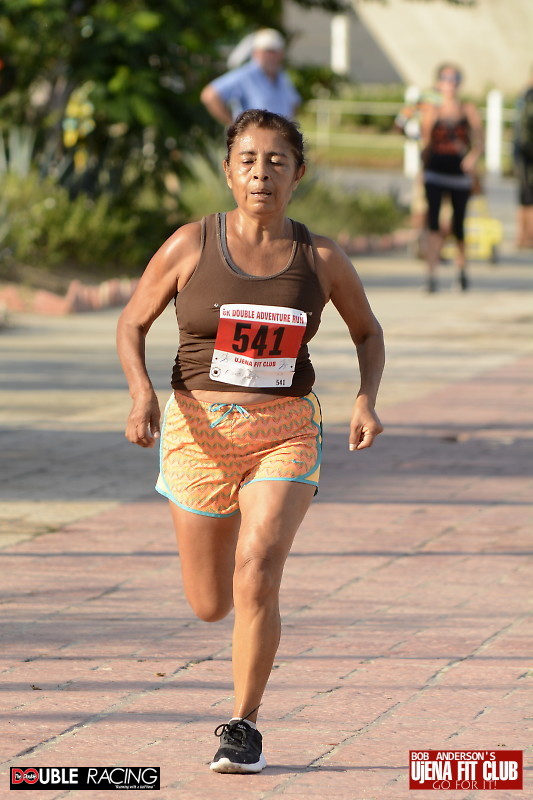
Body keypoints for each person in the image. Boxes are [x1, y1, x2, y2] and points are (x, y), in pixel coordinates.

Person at [116, 110, 384, 774]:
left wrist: (365, 399)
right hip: (198, 434)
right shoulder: (189, 245)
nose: (260, 173)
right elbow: (131, 322)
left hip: (284, 431)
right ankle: (235, 538)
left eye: (275, 161)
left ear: (298, 174)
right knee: (211, 604)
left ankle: (243, 725)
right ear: (228, 171)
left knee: (258, 569)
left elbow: (367, 332)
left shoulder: (321, 258)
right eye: (247, 160)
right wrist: (141, 393)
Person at [420, 63, 483, 292]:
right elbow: (426, 143)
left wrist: (472, 158)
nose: (450, 84)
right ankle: (431, 276)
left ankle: (462, 271)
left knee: (459, 225)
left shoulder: (468, 109)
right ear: (439, 83)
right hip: (435, 173)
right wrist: (421, 173)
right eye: (446, 79)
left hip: (459, 176)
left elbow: (479, 141)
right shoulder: (432, 110)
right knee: (433, 224)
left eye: (455, 79)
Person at [200, 29, 301, 124]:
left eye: (275, 51)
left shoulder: (281, 75)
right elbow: (210, 95)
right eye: (268, 51)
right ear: (256, 53)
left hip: (281, 136)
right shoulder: (245, 75)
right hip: (253, 136)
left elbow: (294, 103)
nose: (272, 56)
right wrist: (234, 126)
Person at [514, 66, 533, 249]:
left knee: (525, 195)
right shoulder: (529, 96)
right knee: (527, 196)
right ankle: (525, 237)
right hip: (527, 154)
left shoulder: (525, 94)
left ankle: (524, 237)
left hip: (523, 153)